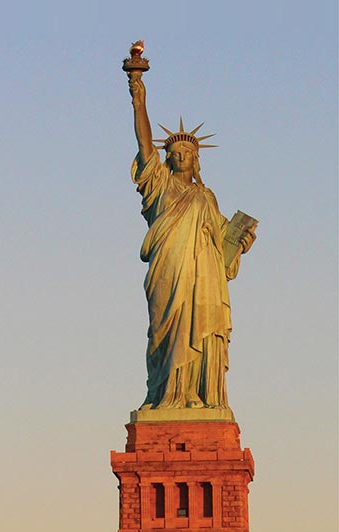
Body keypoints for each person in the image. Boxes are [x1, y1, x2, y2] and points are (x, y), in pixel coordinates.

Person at [128, 74, 255, 411]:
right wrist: (137, 95)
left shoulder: (205, 197)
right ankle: (167, 394)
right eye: (174, 151)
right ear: (165, 158)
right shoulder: (158, 187)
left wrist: (241, 238)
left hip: (204, 277)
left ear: (196, 159)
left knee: (202, 328)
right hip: (169, 271)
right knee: (166, 332)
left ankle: (197, 394)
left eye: (187, 151)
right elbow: (144, 145)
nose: (181, 155)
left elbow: (223, 238)